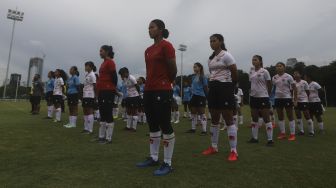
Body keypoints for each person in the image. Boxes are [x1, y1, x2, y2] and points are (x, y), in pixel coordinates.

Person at [136, 19, 177, 176]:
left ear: (160, 30)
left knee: (165, 124)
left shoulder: (167, 46)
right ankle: (153, 158)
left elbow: (172, 68)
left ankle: (168, 162)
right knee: (152, 124)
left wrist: (167, 82)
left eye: (152, 27)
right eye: (148, 28)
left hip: (162, 89)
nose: (149, 30)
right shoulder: (147, 50)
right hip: (149, 90)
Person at [202, 34, 239, 161]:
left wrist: (231, 86)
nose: (212, 43)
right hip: (214, 87)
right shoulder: (210, 58)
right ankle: (213, 147)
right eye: (210, 41)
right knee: (214, 117)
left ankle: (234, 151)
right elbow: (212, 74)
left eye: (214, 41)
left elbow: (234, 71)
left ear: (221, 41)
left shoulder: (226, 55)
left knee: (228, 117)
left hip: (225, 87)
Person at [247, 55, 274, 146]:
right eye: (252, 60)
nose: (253, 61)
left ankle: (270, 140)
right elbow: (251, 83)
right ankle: (254, 138)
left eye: (255, 60)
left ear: (260, 61)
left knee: (266, 118)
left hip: (263, 97)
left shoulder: (265, 71)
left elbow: (269, 84)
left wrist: (268, 94)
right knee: (254, 118)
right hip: (253, 97)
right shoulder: (251, 71)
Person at [96, 45, 118, 144]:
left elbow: (114, 78)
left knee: (108, 112)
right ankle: (101, 136)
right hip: (102, 90)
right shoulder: (103, 63)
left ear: (107, 51)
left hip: (108, 91)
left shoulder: (110, 62)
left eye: (101, 51)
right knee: (102, 113)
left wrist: (111, 89)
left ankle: (108, 138)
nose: (100, 52)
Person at [272, 62, 298, 141]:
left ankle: (292, 134)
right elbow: (273, 89)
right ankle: (282, 133)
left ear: (284, 67)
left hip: (287, 98)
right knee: (280, 116)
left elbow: (295, 88)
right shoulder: (274, 78)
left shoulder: (288, 76)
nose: (278, 67)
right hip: (277, 98)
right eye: (277, 66)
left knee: (290, 116)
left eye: (280, 66)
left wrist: (295, 99)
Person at [185, 62, 208, 135]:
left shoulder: (203, 77)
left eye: (195, 67)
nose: (194, 68)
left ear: (200, 68)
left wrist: (207, 97)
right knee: (193, 112)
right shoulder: (193, 77)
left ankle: (204, 130)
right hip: (194, 96)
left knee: (202, 113)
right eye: (194, 67)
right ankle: (193, 129)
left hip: (201, 96)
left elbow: (206, 87)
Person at [119, 67, 141, 131]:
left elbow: (137, 87)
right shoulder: (125, 79)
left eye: (122, 74)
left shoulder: (132, 78)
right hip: (128, 97)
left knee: (134, 112)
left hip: (134, 96)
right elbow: (126, 88)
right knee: (128, 111)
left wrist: (138, 95)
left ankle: (134, 128)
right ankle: (128, 126)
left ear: (126, 73)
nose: (121, 76)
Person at [293, 70, 314, 136]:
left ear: (300, 75)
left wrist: (305, 99)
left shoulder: (304, 82)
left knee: (307, 115)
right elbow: (292, 92)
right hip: (296, 101)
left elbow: (308, 92)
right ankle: (301, 131)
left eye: (297, 74)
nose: (295, 75)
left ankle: (311, 131)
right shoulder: (293, 83)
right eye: (294, 74)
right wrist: (294, 100)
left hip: (304, 101)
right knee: (298, 115)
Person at [82, 62, 96, 134]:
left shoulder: (92, 75)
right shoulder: (87, 74)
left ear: (90, 67)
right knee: (85, 111)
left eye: (86, 66)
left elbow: (95, 85)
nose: (85, 67)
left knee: (89, 111)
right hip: (85, 95)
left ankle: (90, 130)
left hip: (90, 95)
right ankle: (85, 128)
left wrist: (95, 96)